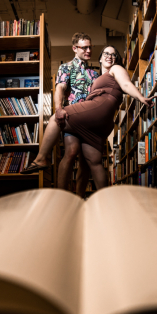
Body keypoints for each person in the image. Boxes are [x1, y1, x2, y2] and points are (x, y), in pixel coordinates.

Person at [21, 46, 154, 191]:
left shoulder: (116, 69)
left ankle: (41, 158)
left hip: (100, 107)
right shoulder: (97, 75)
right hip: (102, 120)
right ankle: (104, 199)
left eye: (114, 54)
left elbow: (126, 84)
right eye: (106, 53)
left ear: (117, 59)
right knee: (94, 161)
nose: (110, 56)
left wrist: (141, 97)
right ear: (101, 57)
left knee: (56, 118)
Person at [53, 32, 100, 197]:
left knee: (86, 162)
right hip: (72, 117)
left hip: (91, 120)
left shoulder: (95, 74)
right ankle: (61, 196)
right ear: (74, 48)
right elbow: (60, 88)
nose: (88, 50)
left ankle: (79, 198)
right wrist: (58, 108)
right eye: (84, 47)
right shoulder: (65, 67)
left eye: (90, 47)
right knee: (71, 151)